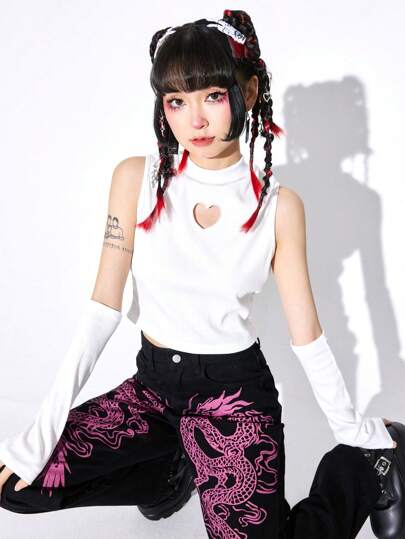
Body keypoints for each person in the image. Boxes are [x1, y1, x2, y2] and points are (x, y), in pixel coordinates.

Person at [0, 9, 404, 539]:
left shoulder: (279, 208)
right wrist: (42, 430)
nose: (194, 120)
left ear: (248, 91)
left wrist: (352, 428)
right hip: (152, 390)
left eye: (212, 96)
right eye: (176, 101)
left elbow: (306, 333)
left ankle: (366, 469)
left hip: (232, 400)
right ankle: (169, 476)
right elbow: (102, 309)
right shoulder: (135, 179)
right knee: (18, 484)